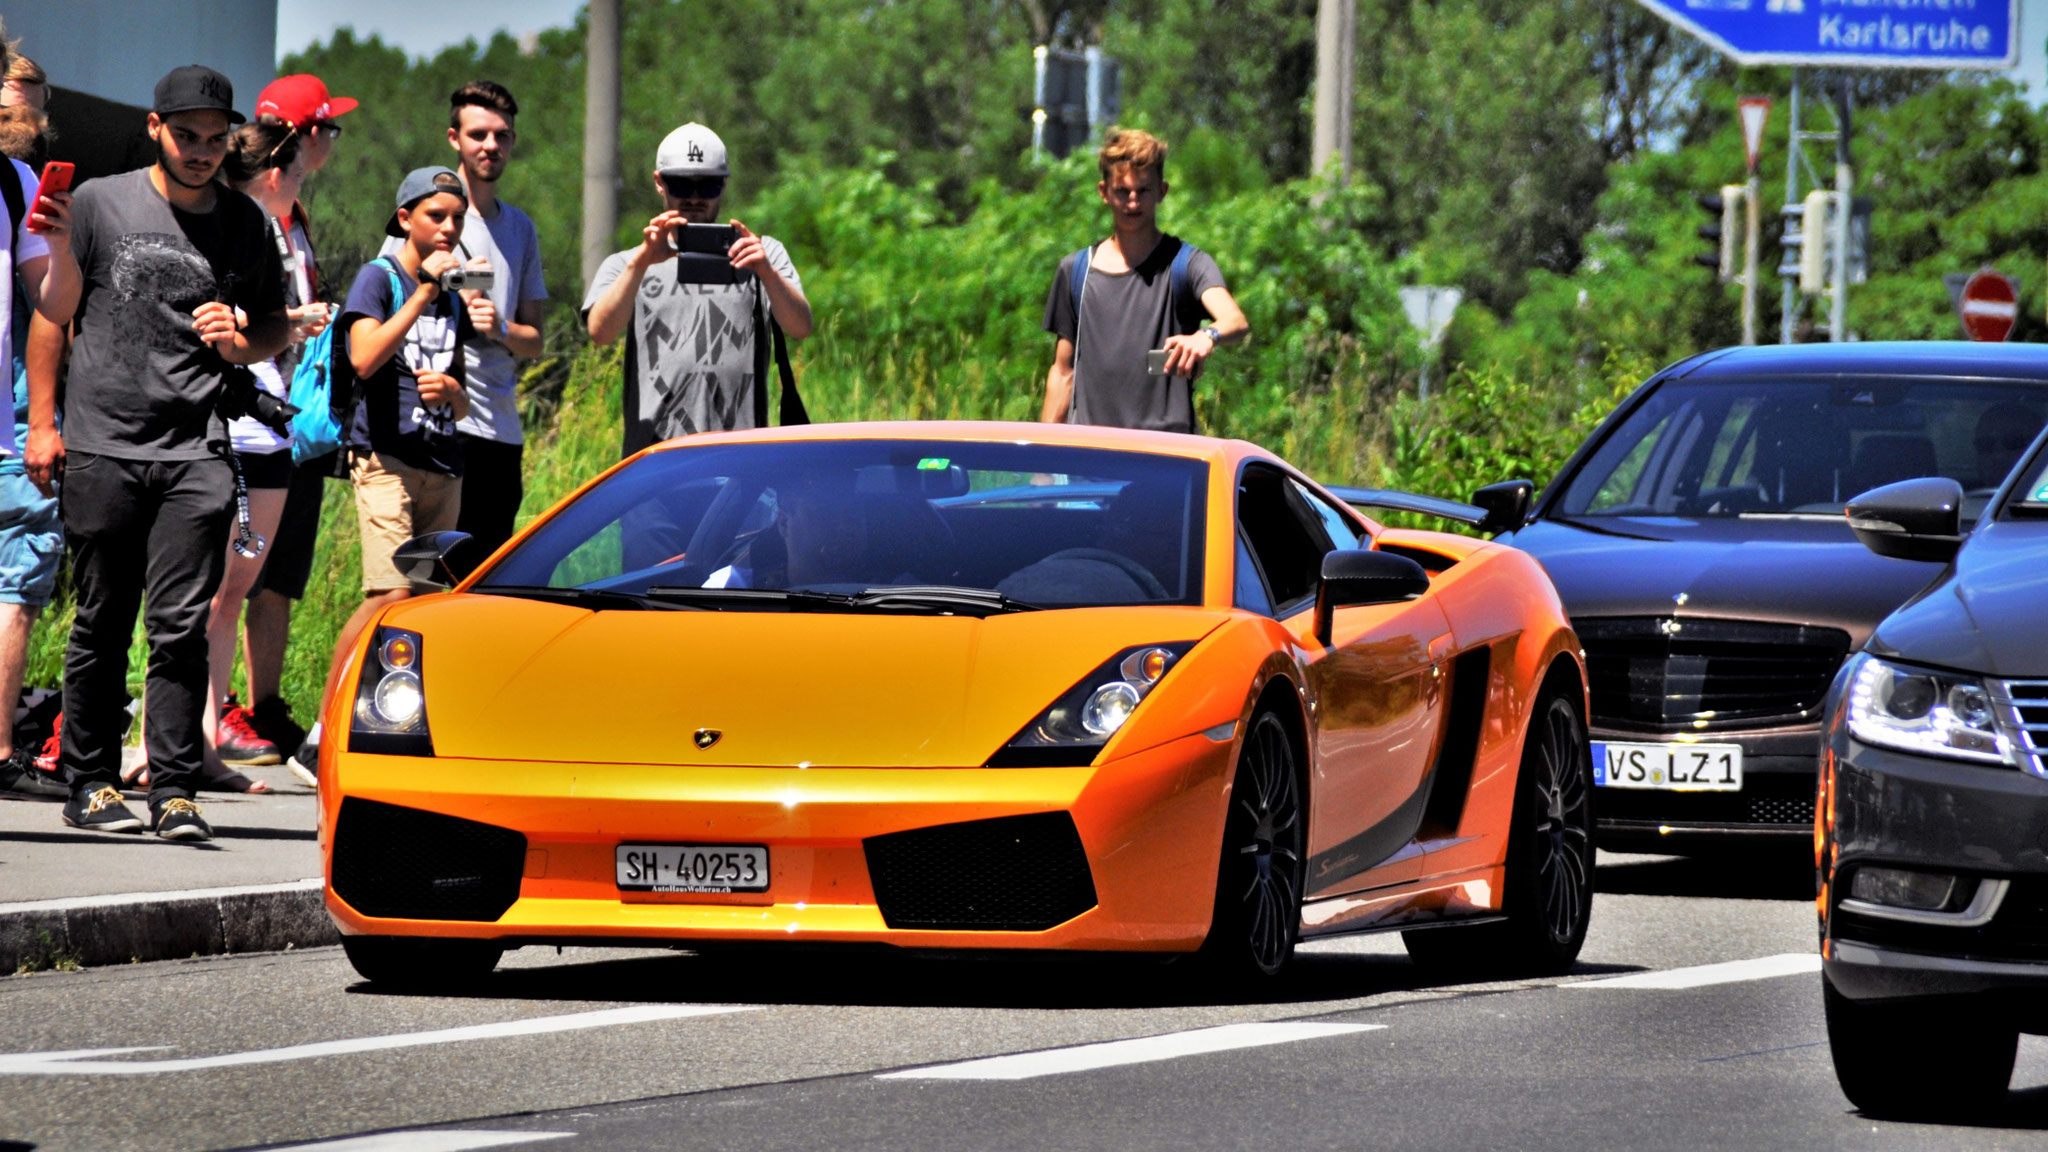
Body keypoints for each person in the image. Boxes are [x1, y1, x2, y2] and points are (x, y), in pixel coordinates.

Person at [23, 65, 286, 841]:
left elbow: (272, 325)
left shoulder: (243, 222)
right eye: (187, 137)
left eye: (215, 139)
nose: (203, 152)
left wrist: (242, 345)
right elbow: (53, 315)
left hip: (198, 450)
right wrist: (44, 422)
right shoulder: (100, 202)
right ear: (154, 128)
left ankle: (174, 789)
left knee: (179, 626)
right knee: (104, 620)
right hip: (104, 441)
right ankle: (91, 780)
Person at [297, 166, 477, 773]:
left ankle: (399, 725)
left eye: (458, 217)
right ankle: (323, 730)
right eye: (437, 215)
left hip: (441, 462)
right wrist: (424, 291)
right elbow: (366, 355)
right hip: (386, 461)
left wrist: (454, 392)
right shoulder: (382, 280)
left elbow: (463, 394)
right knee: (388, 596)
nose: (450, 227)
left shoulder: (453, 291)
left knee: (430, 605)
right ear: (405, 218)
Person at [197, 120, 328, 770]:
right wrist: (285, 322)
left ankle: (207, 741)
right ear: (272, 174)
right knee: (201, 590)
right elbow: (207, 313)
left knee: (236, 589)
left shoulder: (278, 234)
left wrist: (285, 324)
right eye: (296, 171)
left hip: (271, 441)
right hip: (223, 435)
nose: (302, 183)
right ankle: (166, 742)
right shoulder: (223, 227)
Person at [245, 72, 355, 773]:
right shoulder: (248, 214)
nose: (332, 141)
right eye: (327, 128)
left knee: (283, 573)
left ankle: (264, 705)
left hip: (300, 419)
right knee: (238, 572)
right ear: (301, 135)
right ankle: (214, 704)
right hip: (252, 414)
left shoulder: (297, 217)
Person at [583, 122, 812, 455]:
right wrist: (643, 262)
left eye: (707, 187)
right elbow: (600, 332)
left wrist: (765, 271)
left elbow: (801, 326)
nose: (693, 198)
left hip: (739, 456)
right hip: (655, 458)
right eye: (681, 185)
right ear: (660, 183)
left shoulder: (763, 254)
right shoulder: (627, 264)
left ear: (723, 186)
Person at [1040, 128, 1249, 433]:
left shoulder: (1186, 263)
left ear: (1162, 192)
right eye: (1123, 191)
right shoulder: (1076, 272)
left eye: (1144, 191)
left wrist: (1206, 337)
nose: (1133, 202)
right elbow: (1063, 372)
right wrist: (1043, 461)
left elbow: (1235, 320)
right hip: (1090, 456)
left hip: (1166, 458)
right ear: (1104, 192)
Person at [0, 41, 78, 800]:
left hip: (6, 421)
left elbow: (54, 305)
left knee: (17, 582)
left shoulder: (14, 180)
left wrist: (59, 244)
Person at [436, 81, 545, 576]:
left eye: (501, 136)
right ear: (454, 138)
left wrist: (500, 327)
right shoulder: (431, 212)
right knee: (436, 578)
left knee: (486, 580)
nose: (490, 146)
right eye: (479, 134)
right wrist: (454, 286)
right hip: (446, 425)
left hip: (502, 430)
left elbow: (535, 341)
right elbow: (390, 292)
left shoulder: (519, 227)